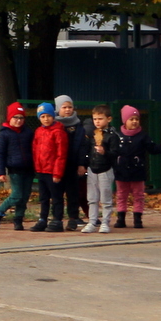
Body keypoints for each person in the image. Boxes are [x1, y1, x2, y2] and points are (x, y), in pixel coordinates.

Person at [0, 102, 36, 230]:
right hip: (14, 169)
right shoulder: (4, 134)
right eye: (15, 117)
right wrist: (1, 172)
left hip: (28, 169)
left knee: (25, 196)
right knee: (17, 195)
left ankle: (18, 219)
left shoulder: (28, 132)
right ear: (10, 118)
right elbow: (0, 154)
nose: (18, 121)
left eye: (21, 118)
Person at [30, 102, 69, 232]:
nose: (46, 119)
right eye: (43, 116)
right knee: (43, 197)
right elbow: (35, 150)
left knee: (56, 197)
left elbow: (61, 154)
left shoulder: (58, 132)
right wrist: (37, 167)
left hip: (53, 171)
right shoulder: (39, 131)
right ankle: (43, 219)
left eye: (48, 116)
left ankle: (57, 220)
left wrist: (57, 173)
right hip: (42, 170)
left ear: (53, 116)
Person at [82, 104, 121, 234]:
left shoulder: (112, 135)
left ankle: (105, 222)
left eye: (100, 119)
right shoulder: (92, 134)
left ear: (108, 119)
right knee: (92, 198)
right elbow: (88, 151)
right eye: (95, 119)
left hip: (106, 169)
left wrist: (105, 152)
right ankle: (92, 222)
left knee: (105, 198)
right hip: (92, 169)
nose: (97, 121)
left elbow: (115, 153)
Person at [55, 95, 87, 230]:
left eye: (70, 107)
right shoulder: (54, 125)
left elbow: (82, 146)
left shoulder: (78, 126)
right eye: (64, 107)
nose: (67, 110)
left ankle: (73, 218)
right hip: (58, 166)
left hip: (73, 166)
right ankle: (57, 219)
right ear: (58, 109)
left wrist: (81, 164)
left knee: (73, 193)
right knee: (57, 194)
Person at [114, 105, 150, 229]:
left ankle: (138, 219)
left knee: (138, 195)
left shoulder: (143, 136)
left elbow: (151, 148)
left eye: (136, 119)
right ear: (125, 121)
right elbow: (113, 151)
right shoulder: (118, 136)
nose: (134, 121)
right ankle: (121, 218)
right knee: (121, 194)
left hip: (137, 170)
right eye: (131, 119)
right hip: (121, 170)